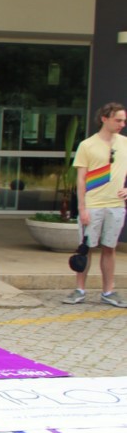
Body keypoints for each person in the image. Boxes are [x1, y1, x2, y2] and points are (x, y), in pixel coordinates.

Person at [63, 102, 127, 307]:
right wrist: (82, 208)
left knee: (110, 248)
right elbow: (81, 179)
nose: (122, 124)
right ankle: (79, 289)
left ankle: (108, 291)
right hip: (93, 204)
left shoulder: (125, 143)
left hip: (116, 205)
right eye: (118, 120)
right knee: (85, 248)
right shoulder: (87, 145)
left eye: (124, 120)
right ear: (104, 119)